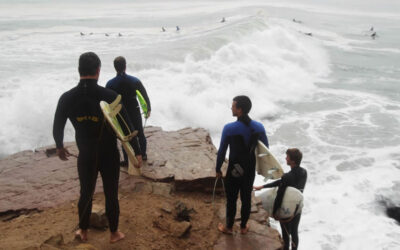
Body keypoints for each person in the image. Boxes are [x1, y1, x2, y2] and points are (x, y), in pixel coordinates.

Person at [53, 52, 142, 243]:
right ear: (98, 71)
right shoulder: (110, 96)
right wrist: (137, 153)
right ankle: (114, 233)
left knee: (85, 192)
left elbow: (57, 126)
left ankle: (83, 231)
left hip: (86, 154)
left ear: (79, 70)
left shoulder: (66, 98)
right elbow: (128, 128)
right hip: (109, 154)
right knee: (111, 193)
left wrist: (60, 147)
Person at [216, 95, 269, 234]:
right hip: (249, 168)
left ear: (239, 110)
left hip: (234, 169)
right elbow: (265, 151)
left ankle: (228, 227)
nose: (231, 108)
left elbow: (222, 151)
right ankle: (244, 227)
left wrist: (218, 169)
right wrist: (262, 169)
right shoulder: (258, 127)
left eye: (233, 106)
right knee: (246, 198)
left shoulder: (229, 128)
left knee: (232, 199)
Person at [254, 148, 307, 250]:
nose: (285, 158)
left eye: (287, 157)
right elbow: (281, 182)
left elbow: (279, 195)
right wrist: (263, 186)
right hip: (297, 206)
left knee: (286, 235)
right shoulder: (304, 173)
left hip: (286, 208)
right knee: (294, 231)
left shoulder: (287, 177)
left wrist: (275, 212)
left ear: (292, 161)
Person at [106, 56, 151, 163]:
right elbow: (144, 96)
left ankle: (127, 159)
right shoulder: (134, 80)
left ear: (115, 68)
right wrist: (148, 109)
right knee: (139, 132)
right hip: (134, 109)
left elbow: (107, 102)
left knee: (125, 135)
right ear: (125, 66)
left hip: (120, 112)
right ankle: (143, 154)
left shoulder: (110, 84)